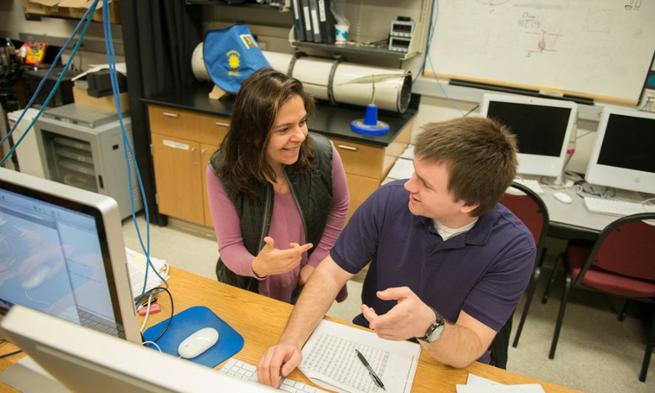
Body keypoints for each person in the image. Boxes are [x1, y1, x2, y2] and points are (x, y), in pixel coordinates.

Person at [257, 117, 536, 387]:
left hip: (447, 367)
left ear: (469, 203)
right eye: (414, 172)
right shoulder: (390, 200)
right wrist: (291, 341)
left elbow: (469, 346)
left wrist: (429, 326)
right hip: (373, 348)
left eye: (425, 184)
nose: (408, 185)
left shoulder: (513, 247)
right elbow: (330, 274)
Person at [206, 68, 349, 304]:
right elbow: (230, 247)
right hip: (250, 285)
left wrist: (316, 263)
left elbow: (339, 207)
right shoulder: (223, 170)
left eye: (302, 122)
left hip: (307, 281)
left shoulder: (325, 154)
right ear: (253, 134)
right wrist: (258, 266)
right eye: (284, 129)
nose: (300, 136)